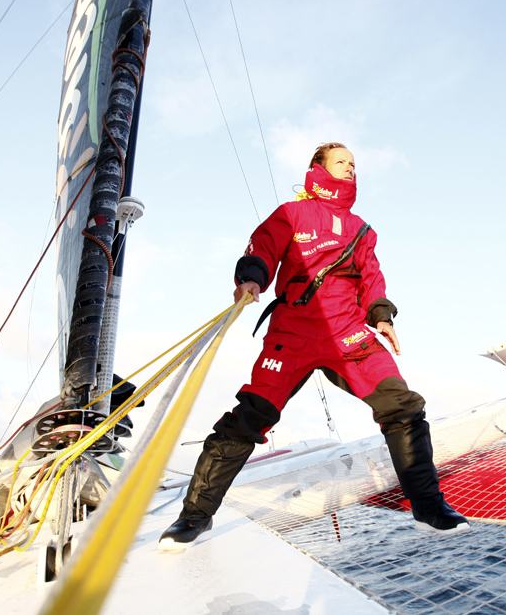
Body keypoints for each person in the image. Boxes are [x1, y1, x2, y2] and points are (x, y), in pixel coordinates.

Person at [159, 143, 468, 550]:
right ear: (317, 169)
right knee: (250, 419)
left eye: (354, 164)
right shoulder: (293, 213)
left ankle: (428, 506)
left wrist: (382, 317)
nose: (350, 168)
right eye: (342, 161)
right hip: (294, 333)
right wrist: (252, 278)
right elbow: (263, 246)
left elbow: (371, 279)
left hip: (347, 334)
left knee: (404, 406)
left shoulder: (363, 230)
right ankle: (194, 517)